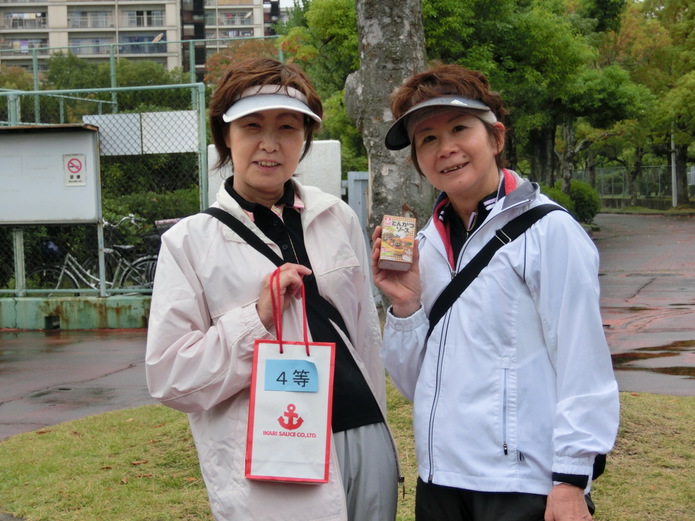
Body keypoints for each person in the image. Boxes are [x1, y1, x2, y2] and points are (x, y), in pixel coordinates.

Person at [146, 57, 399, 521]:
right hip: (276, 462)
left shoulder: (336, 217)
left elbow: (365, 338)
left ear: (304, 137)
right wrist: (256, 321)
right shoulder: (189, 243)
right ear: (225, 136)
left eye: (286, 127)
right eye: (251, 126)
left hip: (364, 435)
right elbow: (170, 378)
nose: (269, 143)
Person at [372, 63, 619, 521]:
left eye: (459, 129)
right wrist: (404, 306)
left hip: (520, 485)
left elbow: (582, 360)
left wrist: (570, 479)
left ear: (496, 137)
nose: (446, 148)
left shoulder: (548, 231)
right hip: (440, 481)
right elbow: (416, 385)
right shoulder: (425, 246)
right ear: (418, 160)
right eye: (427, 138)